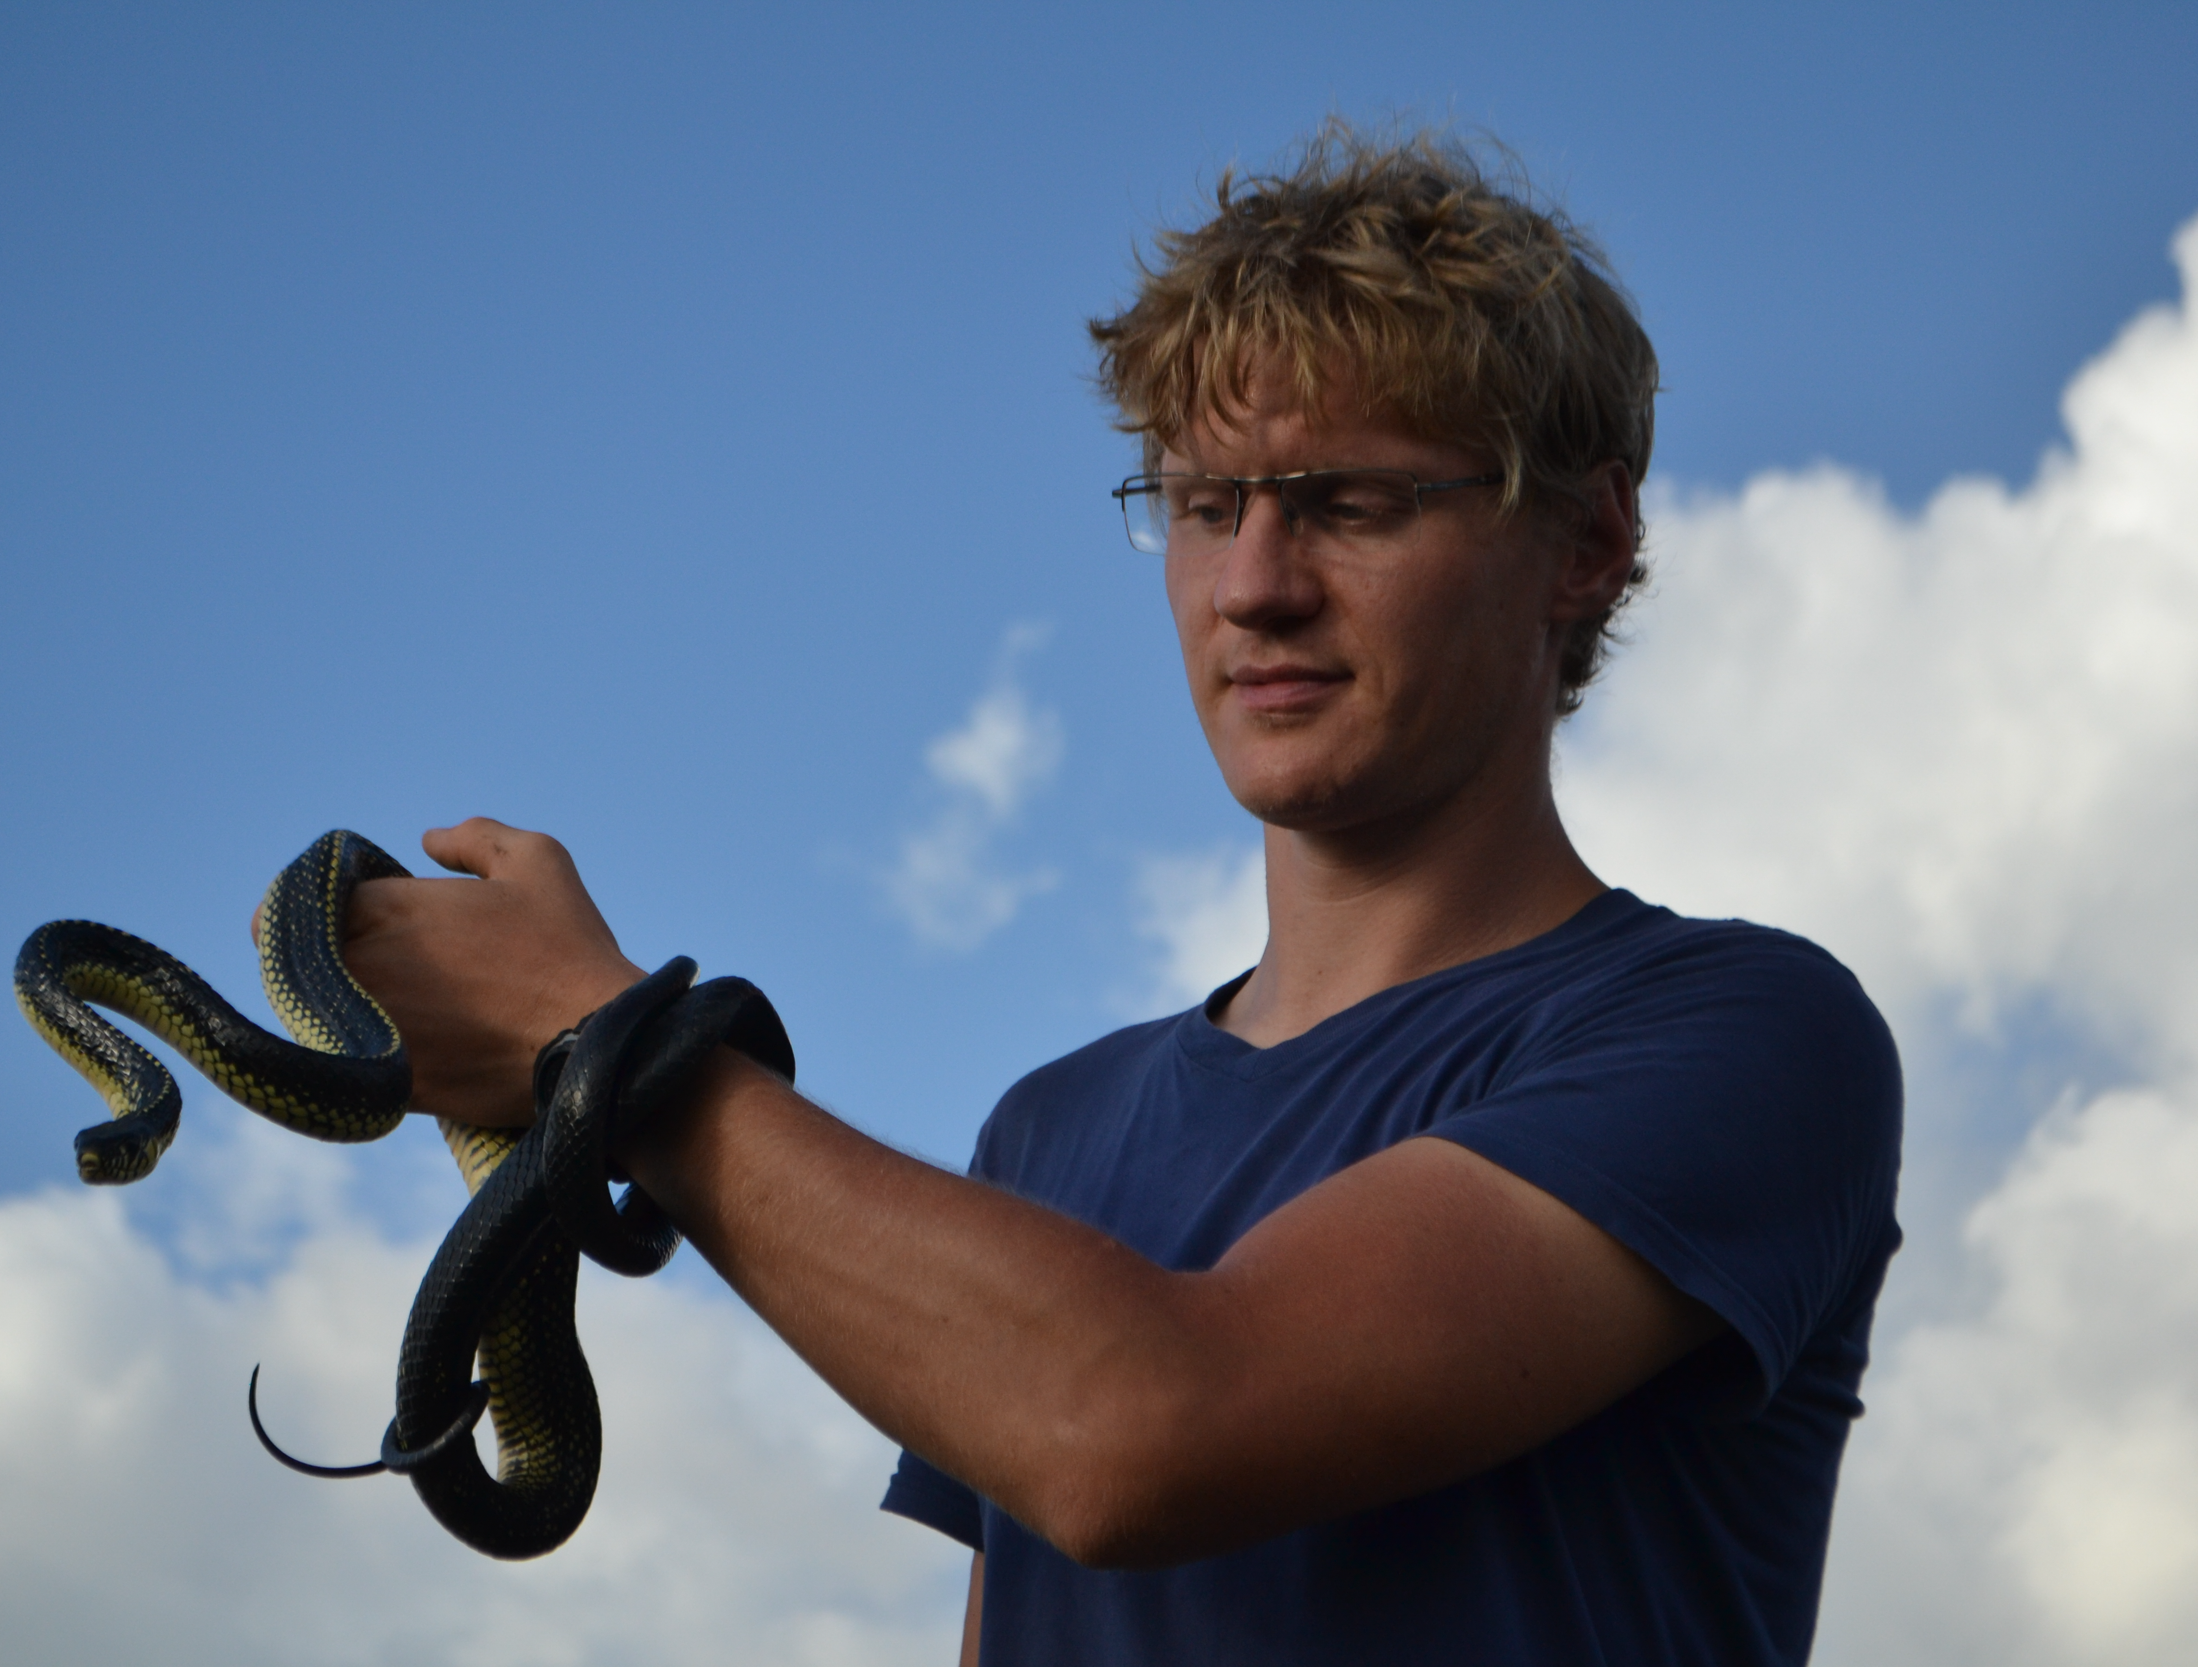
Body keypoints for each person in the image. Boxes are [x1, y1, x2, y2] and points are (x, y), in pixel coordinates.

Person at [338, 126, 1902, 1666]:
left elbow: (1139, 1427)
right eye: (1207, 505)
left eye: (1349, 503)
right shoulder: (1049, 1129)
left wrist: (602, 1048)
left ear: (1590, 539)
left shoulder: (1745, 1035)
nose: (1254, 584)